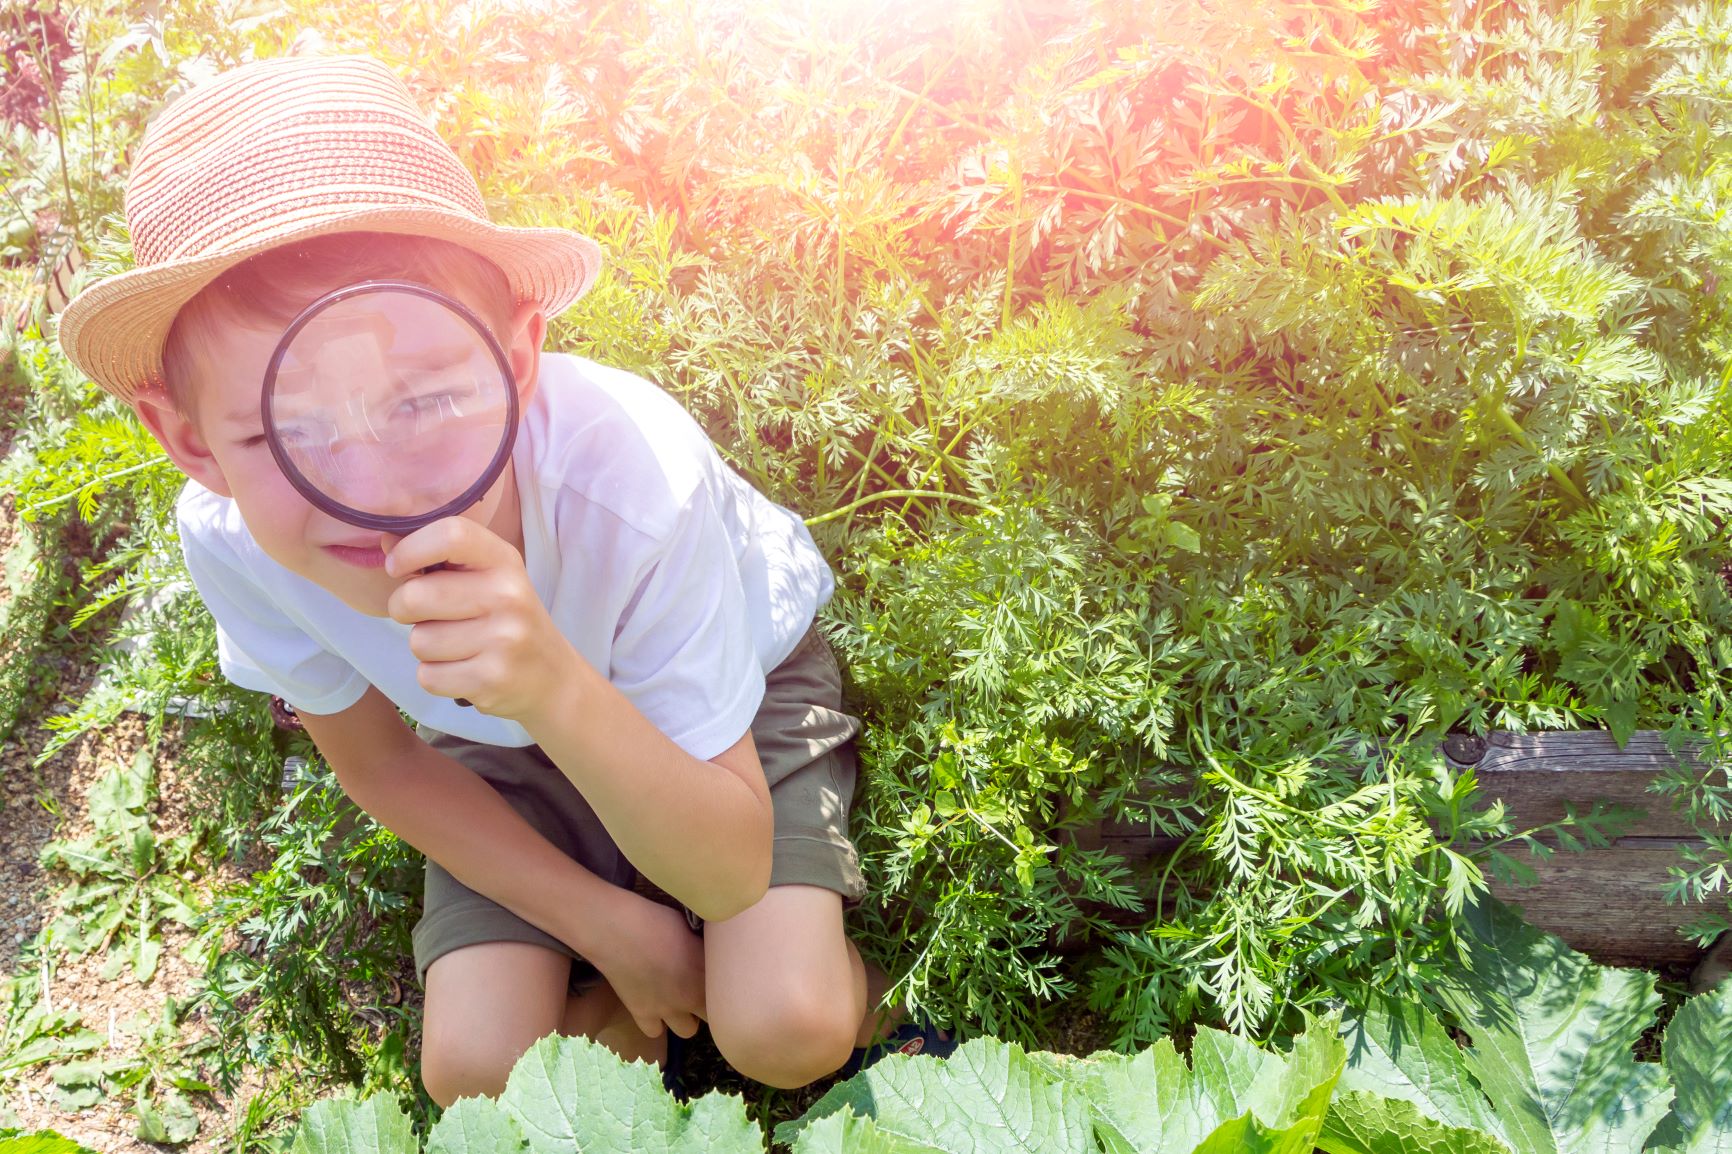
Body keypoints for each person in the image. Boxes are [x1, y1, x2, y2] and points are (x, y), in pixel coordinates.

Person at [57, 53, 951, 1106]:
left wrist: (556, 687)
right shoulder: (231, 538)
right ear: (189, 440)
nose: (367, 490)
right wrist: (608, 924)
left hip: (729, 714)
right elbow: (384, 764)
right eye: (285, 433)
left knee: (786, 1025)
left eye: (424, 402)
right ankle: (645, 993)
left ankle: (861, 997)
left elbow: (724, 868)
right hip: (495, 748)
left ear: (518, 359)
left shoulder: (630, 481)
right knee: (476, 1076)